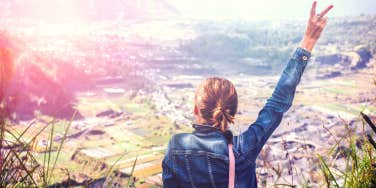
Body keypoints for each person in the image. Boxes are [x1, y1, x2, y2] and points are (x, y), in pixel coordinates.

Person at [162, 1, 333, 187]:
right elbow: (277, 103)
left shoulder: (176, 146)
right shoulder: (242, 149)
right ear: (232, 113)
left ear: (196, 108)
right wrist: (309, 40)